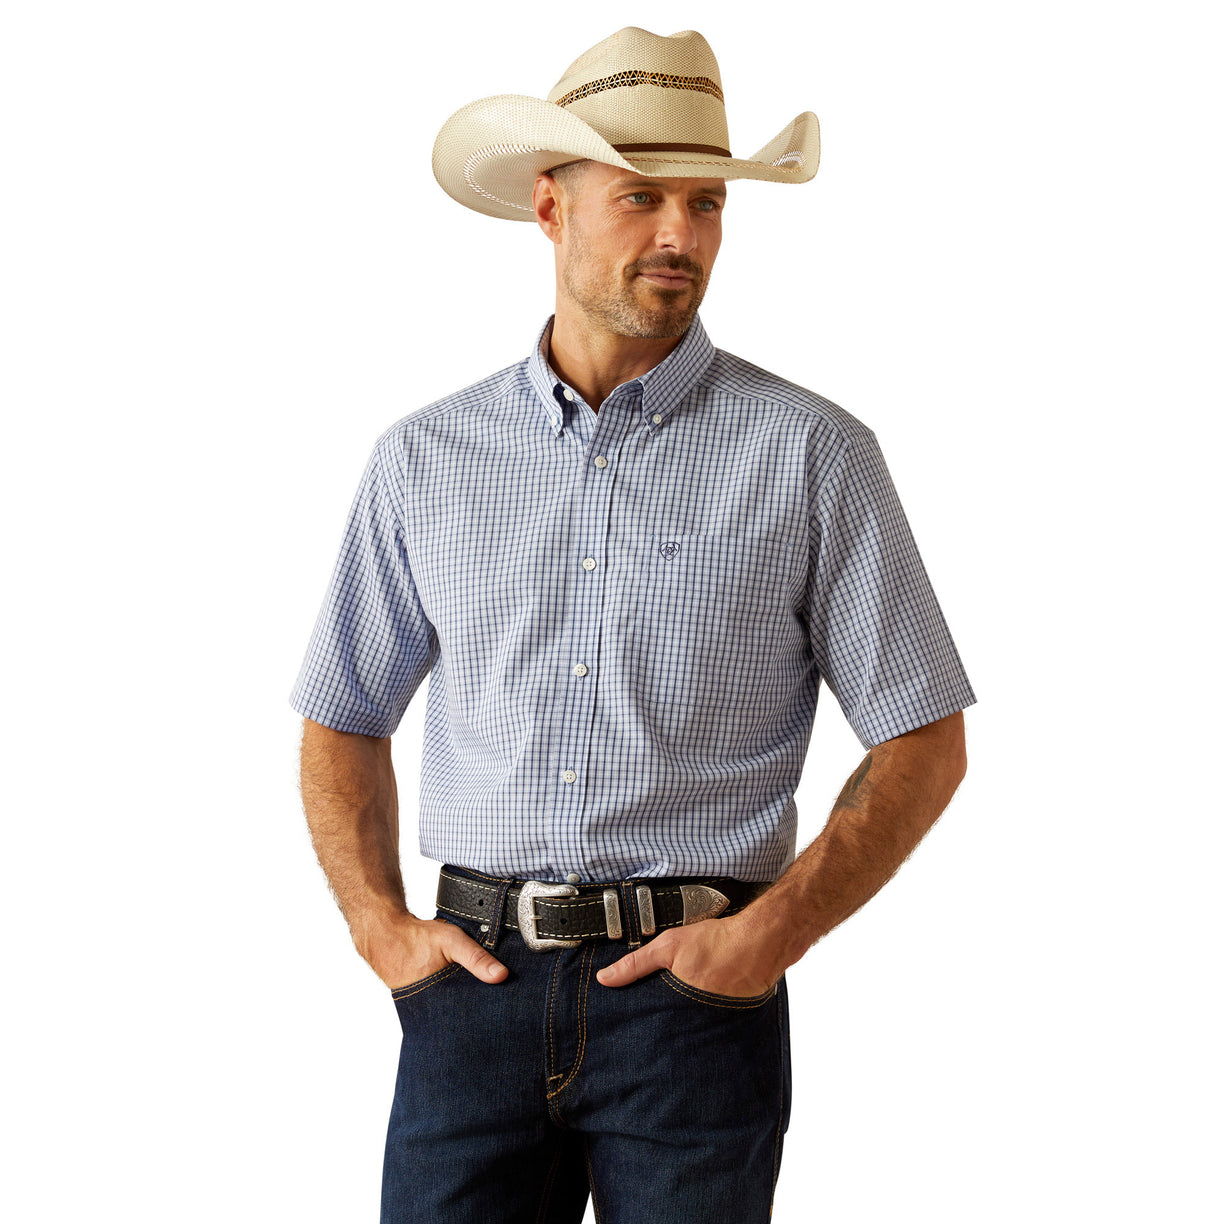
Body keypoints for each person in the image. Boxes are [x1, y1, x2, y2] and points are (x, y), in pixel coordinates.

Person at [291, 26, 975, 1224]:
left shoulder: (813, 455)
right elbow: (342, 716)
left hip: (693, 1006)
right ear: (548, 209)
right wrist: (378, 928)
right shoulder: (425, 460)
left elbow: (924, 736)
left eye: (707, 204)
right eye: (642, 199)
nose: (681, 237)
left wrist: (763, 941)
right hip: (470, 993)